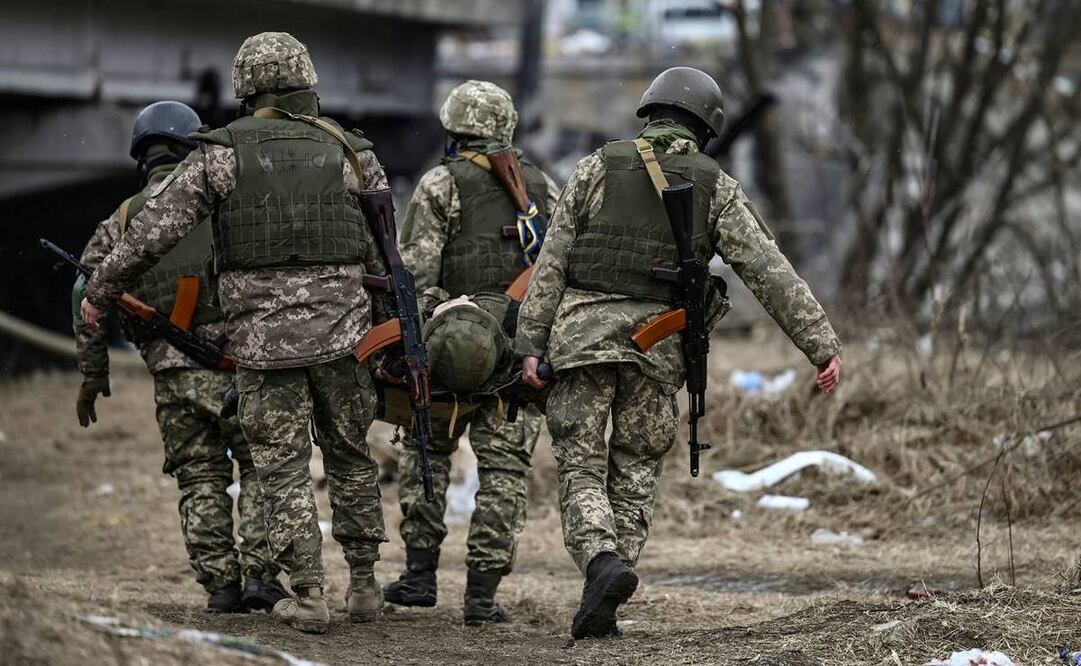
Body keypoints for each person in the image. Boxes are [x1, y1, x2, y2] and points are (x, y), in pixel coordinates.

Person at [516, 67, 844, 639]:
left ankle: (600, 563)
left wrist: (530, 344)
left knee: (581, 466)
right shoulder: (715, 186)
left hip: (583, 346)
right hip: (658, 348)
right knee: (636, 470)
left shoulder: (595, 168)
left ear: (651, 111)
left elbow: (552, 264)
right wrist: (820, 345)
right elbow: (768, 270)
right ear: (704, 125)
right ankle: (609, 593)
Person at [80, 32, 389, 635]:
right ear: (306, 80)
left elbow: (152, 233)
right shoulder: (354, 153)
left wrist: (101, 291)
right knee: (352, 457)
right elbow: (383, 256)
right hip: (344, 335)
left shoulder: (220, 154)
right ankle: (365, 584)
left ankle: (309, 594)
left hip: (262, 344)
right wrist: (385, 329)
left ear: (246, 86)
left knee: (280, 466)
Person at [72, 100, 286, 614]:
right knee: (260, 466)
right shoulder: (222, 205)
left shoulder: (121, 221)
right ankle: (261, 575)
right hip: (238, 366)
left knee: (199, 475)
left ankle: (220, 585)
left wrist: (92, 373)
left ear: (141, 157)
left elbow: (87, 297)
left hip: (172, 375)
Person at [388, 80, 560, 625]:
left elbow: (414, 276)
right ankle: (483, 597)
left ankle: (418, 575)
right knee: (505, 471)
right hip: (515, 360)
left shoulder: (440, 184)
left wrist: (433, 331)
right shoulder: (541, 189)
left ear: (453, 129)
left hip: (446, 349)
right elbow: (556, 279)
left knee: (425, 455)